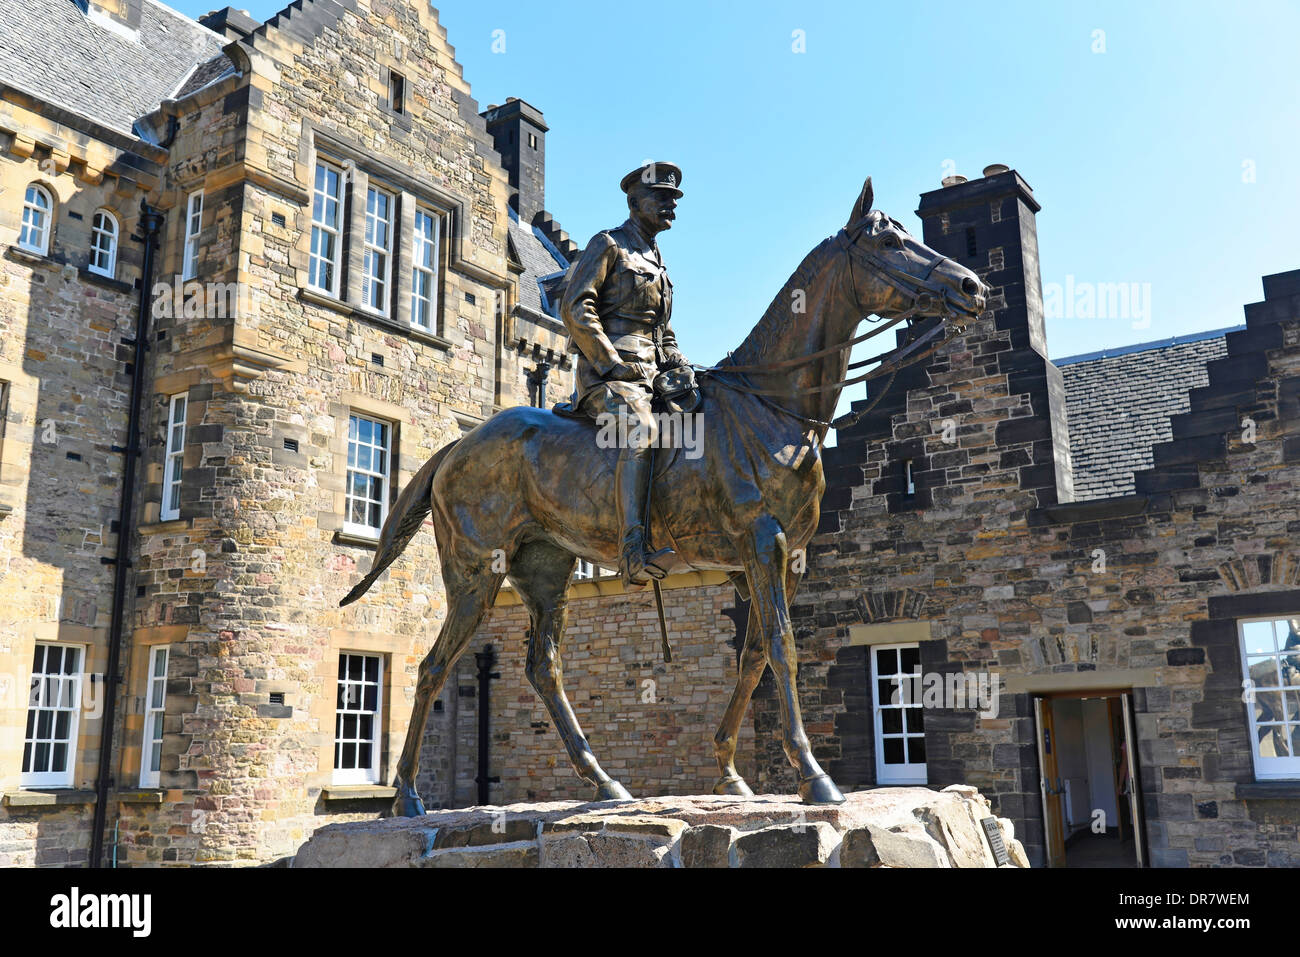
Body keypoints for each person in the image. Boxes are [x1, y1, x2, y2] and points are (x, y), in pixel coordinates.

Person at [559, 162, 693, 587]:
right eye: (662, 197)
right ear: (635, 202)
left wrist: (676, 360)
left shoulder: (657, 260)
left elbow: (662, 329)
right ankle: (631, 552)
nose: (670, 204)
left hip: (652, 376)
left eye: (674, 198)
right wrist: (610, 362)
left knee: (703, 422)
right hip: (609, 377)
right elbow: (576, 306)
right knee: (642, 432)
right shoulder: (609, 245)